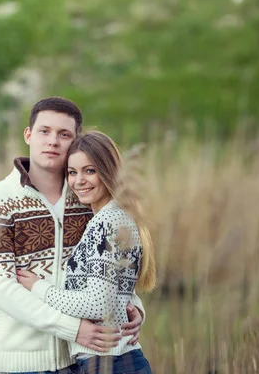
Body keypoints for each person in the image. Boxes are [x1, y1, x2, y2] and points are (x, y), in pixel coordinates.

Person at [0, 97, 147, 374]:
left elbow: (107, 267)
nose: (53, 141)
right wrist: (73, 329)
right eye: (44, 131)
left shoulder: (87, 198)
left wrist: (133, 306)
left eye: (64, 134)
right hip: (20, 364)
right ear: (28, 135)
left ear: (76, 141)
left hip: (79, 361)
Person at [16, 131, 156, 374]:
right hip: (115, 361)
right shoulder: (114, 217)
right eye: (72, 172)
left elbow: (98, 305)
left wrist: (39, 287)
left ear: (108, 171)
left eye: (90, 171)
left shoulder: (107, 222)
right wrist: (135, 307)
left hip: (112, 363)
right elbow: (113, 291)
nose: (79, 180)